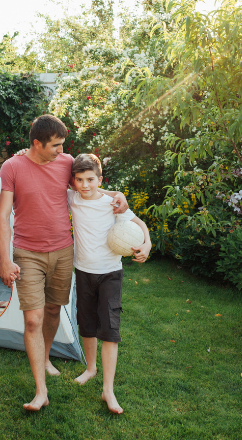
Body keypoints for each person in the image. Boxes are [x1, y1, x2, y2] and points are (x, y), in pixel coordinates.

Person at [0, 114, 128, 411]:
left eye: (62, 145)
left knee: (54, 309)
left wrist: (116, 195)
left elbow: (88, 187)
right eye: (55, 145)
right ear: (36, 143)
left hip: (63, 251)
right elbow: (3, 216)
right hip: (27, 251)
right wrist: (4, 259)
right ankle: (40, 391)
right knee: (33, 318)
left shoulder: (66, 162)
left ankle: (44, 359)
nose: (60, 150)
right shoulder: (12, 167)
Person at [68, 153, 150, 414]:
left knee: (110, 330)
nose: (85, 185)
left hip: (110, 274)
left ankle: (108, 390)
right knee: (87, 324)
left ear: (100, 179)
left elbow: (140, 224)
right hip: (83, 272)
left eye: (90, 179)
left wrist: (147, 244)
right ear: (73, 182)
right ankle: (90, 369)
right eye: (79, 179)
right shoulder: (72, 199)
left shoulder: (112, 204)